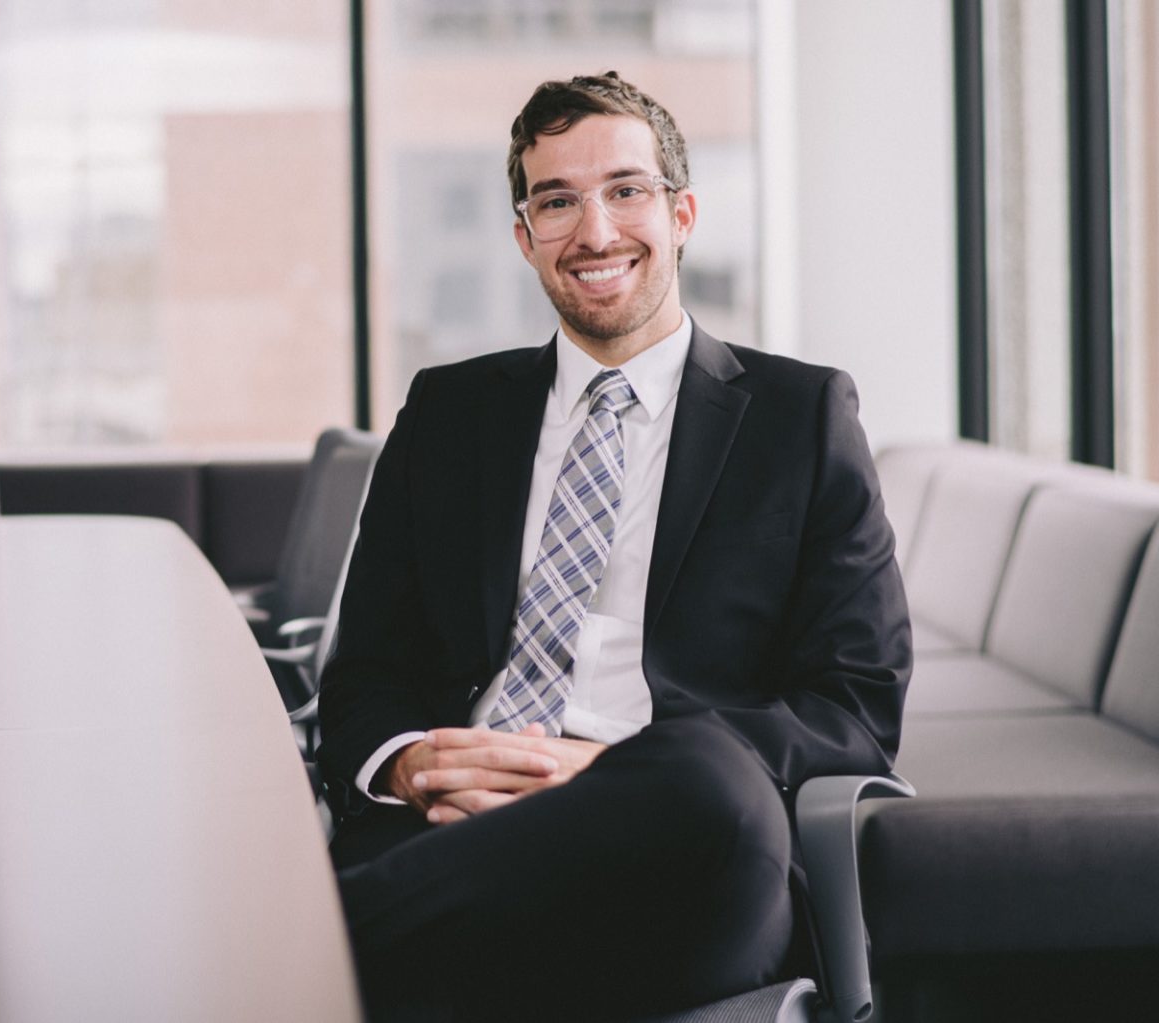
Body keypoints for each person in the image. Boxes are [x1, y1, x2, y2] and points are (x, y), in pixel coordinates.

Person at [316, 72, 910, 1022]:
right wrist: (413, 762)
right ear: (525, 238)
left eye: (626, 191)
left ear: (681, 214)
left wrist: (606, 776)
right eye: (558, 202)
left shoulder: (801, 417)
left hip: (681, 850)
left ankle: (299, 951)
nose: (595, 232)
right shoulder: (448, 414)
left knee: (709, 773)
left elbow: (856, 705)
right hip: (455, 835)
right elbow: (363, 678)